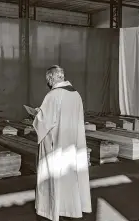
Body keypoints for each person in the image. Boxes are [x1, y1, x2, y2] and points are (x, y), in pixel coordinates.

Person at [33, 65, 92, 221]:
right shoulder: (76, 94)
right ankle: (72, 208)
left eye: (48, 80)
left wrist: (37, 114)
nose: (48, 83)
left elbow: (45, 122)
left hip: (56, 144)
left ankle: (52, 208)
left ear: (52, 78)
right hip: (73, 143)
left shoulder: (53, 95)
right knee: (70, 176)